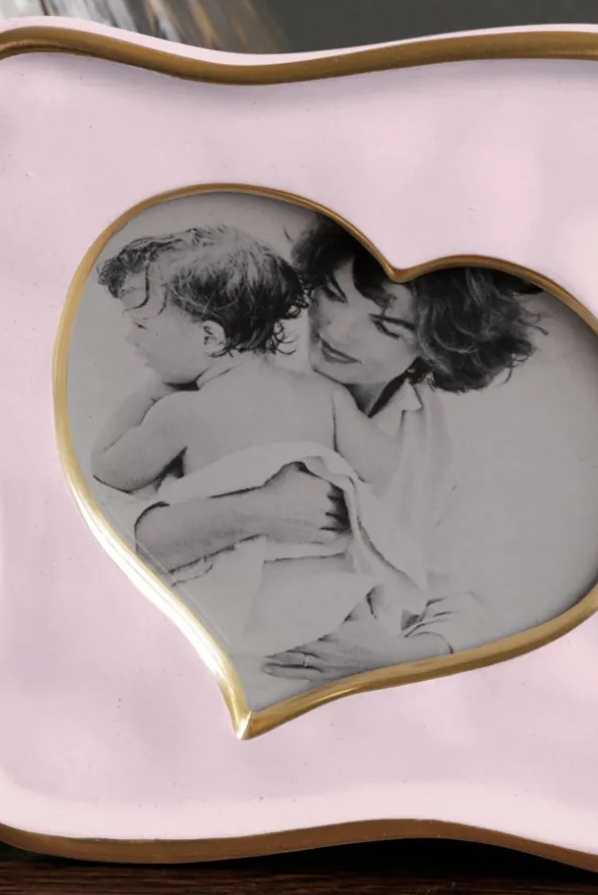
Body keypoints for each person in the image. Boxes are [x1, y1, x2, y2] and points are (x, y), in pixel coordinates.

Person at [132, 216, 541, 685]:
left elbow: (467, 598)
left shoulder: (443, 438)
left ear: (436, 346)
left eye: (385, 325)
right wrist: (256, 511)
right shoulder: (219, 366)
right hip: (199, 666)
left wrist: (396, 659)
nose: (338, 332)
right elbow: (117, 535)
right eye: (331, 293)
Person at [91, 225, 433, 668]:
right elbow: (381, 465)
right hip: (328, 588)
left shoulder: (182, 412)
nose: (131, 339)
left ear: (211, 338)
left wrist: (147, 395)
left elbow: (109, 470)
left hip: (240, 594)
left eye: (141, 326)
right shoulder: (324, 394)